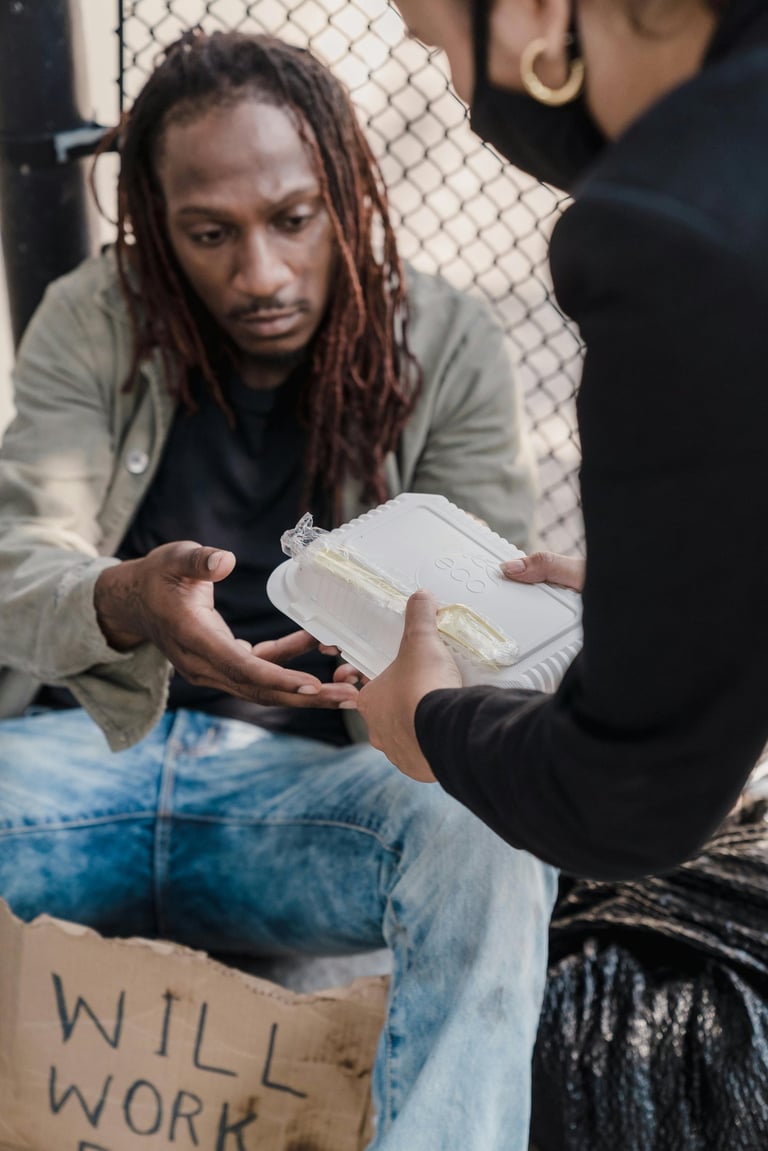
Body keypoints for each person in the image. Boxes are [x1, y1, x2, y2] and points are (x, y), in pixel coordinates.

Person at [0, 29, 553, 1151]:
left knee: (494, 833)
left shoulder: (445, 342)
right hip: (86, 761)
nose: (259, 273)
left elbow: (500, 633)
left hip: (319, 793)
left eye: (293, 220)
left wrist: (417, 664)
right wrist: (124, 598)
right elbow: (19, 560)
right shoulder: (89, 316)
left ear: (346, 196)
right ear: (157, 222)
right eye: (210, 234)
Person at [356, 0, 768, 881]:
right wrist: (693, 598)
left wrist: (430, 720)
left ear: (533, 13)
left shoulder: (671, 232)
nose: (464, 92)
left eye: (439, 49)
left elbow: (628, 795)